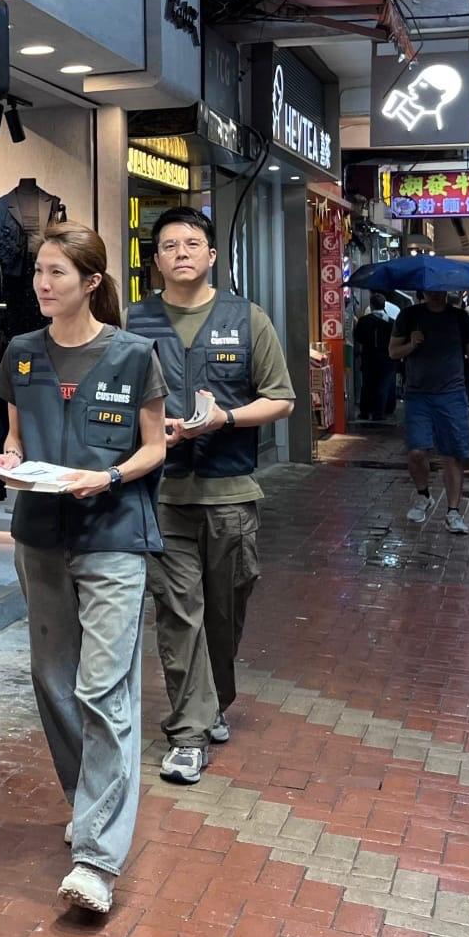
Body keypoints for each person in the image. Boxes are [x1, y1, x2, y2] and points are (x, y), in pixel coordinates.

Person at [0, 221, 167, 914]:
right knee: (52, 682)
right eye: (38, 271)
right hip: (39, 533)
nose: (42, 282)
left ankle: (96, 859)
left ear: (90, 282)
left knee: (103, 689)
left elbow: (154, 448)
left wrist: (111, 477)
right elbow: (12, 436)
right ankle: (86, 802)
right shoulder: (21, 352)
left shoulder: (131, 355)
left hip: (114, 533)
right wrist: (6, 460)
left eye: (57, 272)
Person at [126, 208, 296, 786]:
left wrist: (224, 417)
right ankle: (189, 732)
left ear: (211, 255)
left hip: (230, 494)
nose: (181, 253)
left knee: (224, 612)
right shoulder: (132, 324)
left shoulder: (248, 319)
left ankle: (214, 698)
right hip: (162, 495)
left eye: (192, 243)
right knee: (178, 614)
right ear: (155, 260)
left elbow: (281, 399)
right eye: (168, 245)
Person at [389, 289, 469, 534]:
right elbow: (393, 352)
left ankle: (453, 512)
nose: (436, 294)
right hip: (418, 395)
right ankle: (423, 495)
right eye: (431, 290)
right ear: (422, 292)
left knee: (453, 454)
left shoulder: (459, 318)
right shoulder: (409, 316)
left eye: (440, 290)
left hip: (452, 395)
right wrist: (411, 344)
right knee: (417, 452)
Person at [353, 292, 396, 421]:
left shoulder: (363, 321)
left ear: (371, 306)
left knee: (366, 385)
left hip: (368, 358)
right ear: (384, 305)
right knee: (383, 385)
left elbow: (358, 337)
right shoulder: (391, 322)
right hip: (387, 359)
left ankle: (365, 411)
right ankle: (379, 413)